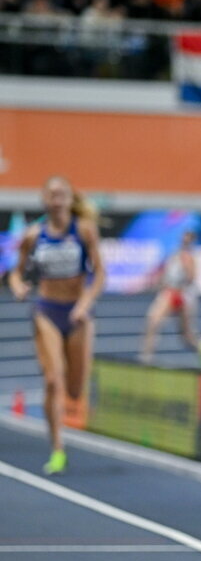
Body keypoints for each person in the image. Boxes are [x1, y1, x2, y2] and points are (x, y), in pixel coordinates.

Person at [8, 176, 105, 474]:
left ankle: (61, 435)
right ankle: (57, 448)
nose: (57, 198)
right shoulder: (34, 235)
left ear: (69, 198)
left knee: (75, 391)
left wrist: (84, 304)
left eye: (62, 193)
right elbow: (16, 272)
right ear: (45, 200)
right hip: (46, 311)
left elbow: (100, 274)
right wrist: (18, 287)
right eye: (51, 194)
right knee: (53, 381)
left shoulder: (84, 230)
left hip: (77, 315)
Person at [139, 230, 201, 367]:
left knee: (185, 337)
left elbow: (192, 278)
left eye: (188, 239)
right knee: (153, 321)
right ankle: (146, 358)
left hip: (184, 296)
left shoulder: (191, 258)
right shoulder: (174, 255)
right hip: (169, 293)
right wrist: (158, 283)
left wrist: (187, 269)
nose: (184, 241)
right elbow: (165, 275)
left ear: (191, 241)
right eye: (183, 238)